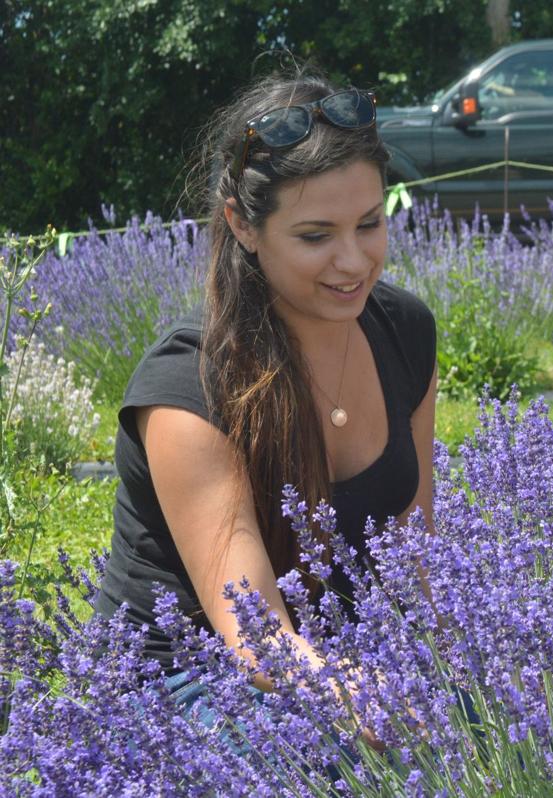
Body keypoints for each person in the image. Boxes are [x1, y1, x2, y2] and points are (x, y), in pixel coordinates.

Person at [94, 71, 437, 699]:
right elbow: (256, 640)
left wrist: (483, 679)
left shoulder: (405, 332)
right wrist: (392, 708)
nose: (354, 260)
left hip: (344, 655)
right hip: (185, 689)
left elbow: (414, 562)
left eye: (368, 223)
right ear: (244, 226)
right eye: (315, 236)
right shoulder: (190, 384)